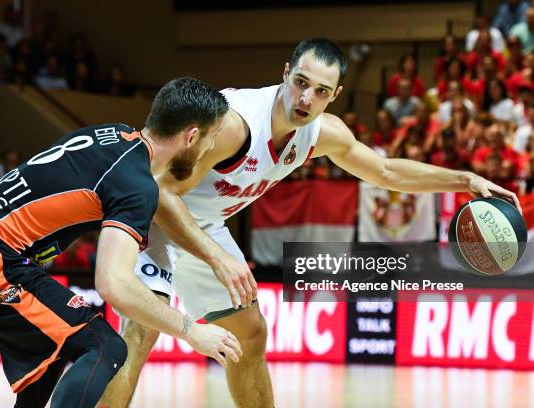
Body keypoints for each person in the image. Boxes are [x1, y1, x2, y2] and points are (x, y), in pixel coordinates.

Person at [100, 39, 522, 408]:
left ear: (334, 95)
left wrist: (465, 180)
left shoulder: (320, 133)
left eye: (319, 91)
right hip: (154, 212)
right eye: (300, 82)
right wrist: (217, 257)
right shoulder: (235, 127)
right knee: (138, 335)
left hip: (203, 223)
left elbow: (386, 172)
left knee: (250, 336)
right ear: (286, 73)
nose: (305, 98)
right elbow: (162, 192)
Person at [0, 77, 242, 408]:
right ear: (192, 136)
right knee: (105, 347)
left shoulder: (110, 135)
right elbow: (112, 283)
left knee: (50, 352)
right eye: (211, 140)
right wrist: (192, 331)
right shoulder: (136, 183)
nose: (211, 150)